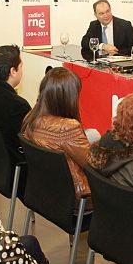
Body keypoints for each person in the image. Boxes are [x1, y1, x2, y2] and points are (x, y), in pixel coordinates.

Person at [21, 67, 90, 199]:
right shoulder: (68, 128)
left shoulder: (31, 118)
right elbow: (94, 166)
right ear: (68, 98)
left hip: (45, 191)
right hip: (77, 198)